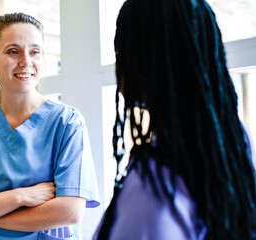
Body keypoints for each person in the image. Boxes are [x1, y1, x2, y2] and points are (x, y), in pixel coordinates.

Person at [94, 0, 256, 239]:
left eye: (121, 53)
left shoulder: (150, 195)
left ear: (142, 69)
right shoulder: (234, 144)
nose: (117, 66)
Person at [0, 12, 99, 240]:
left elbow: (70, 211)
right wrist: (22, 197)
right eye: (13, 51)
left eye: (35, 52)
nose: (26, 61)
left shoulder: (67, 123)